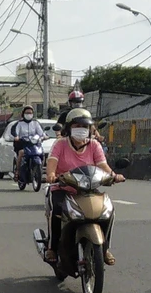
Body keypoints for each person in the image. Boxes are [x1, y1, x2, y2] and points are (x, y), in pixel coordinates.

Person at [44, 108, 124, 266]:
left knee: (108, 211)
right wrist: (51, 175)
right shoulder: (60, 145)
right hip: (63, 188)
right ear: (68, 128)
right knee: (57, 211)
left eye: (85, 127)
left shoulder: (94, 145)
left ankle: (105, 248)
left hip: (88, 190)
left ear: (90, 129)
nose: (81, 130)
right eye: (77, 126)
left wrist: (114, 176)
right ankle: (52, 248)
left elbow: (103, 166)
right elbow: (51, 163)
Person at [10, 105, 46, 178]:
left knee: (42, 152)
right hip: (22, 144)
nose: (29, 114)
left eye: (30, 113)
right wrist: (16, 137)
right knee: (21, 153)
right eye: (27, 113)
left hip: (34, 144)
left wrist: (44, 136)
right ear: (23, 114)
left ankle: (40, 168)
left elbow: (41, 133)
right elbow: (15, 131)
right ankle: (17, 171)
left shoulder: (36, 123)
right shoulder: (19, 123)